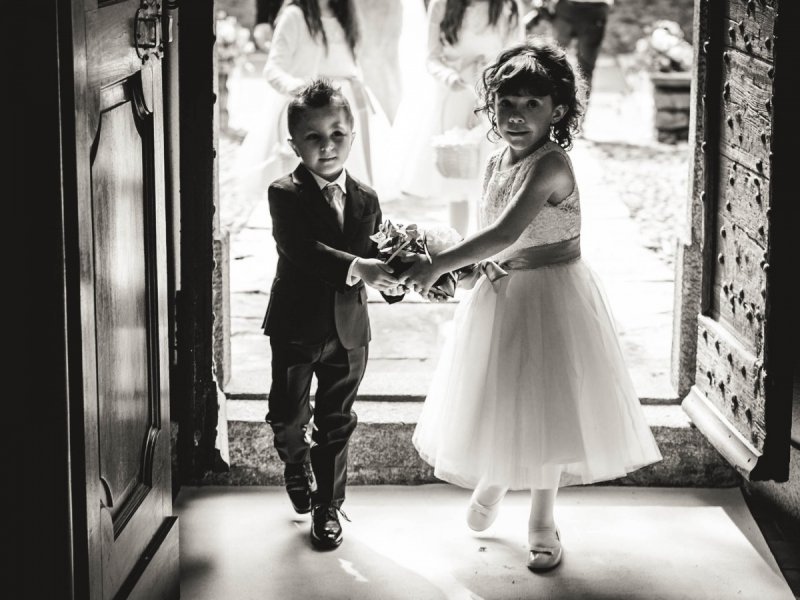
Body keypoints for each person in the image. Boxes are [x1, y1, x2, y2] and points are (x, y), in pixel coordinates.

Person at [400, 39, 662, 571]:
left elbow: (501, 231)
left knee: (547, 406)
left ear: (557, 110)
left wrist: (438, 264)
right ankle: (495, 480)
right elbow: (492, 234)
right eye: (506, 103)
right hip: (506, 290)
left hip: (552, 295)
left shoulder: (551, 165)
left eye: (531, 105)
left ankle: (542, 519)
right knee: (502, 395)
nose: (516, 116)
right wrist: (474, 267)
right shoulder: (497, 157)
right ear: (491, 103)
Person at [262, 80, 402, 550]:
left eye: (337, 134)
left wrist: (405, 276)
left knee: (337, 420)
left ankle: (328, 505)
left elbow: (379, 252)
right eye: (313, 137)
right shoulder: (284, 193)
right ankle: (295, 462)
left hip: (349, 330)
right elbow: (300, 249)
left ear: (353, 135)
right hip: (296, 326)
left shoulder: (367, 198)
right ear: (294, 144)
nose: (327, 146)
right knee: (286, 414)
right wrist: (357, 266)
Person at [236, 0, 391, 230]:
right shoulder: (295, 16)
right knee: (311, 193)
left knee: (351, 192)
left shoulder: (346, 14)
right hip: (313, 111)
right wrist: (304, 91)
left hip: (345, 108)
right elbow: (273, 69)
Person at [391, 0, 524, 199]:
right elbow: (432, 57)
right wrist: (448, 76)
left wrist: (493, 70)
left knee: (490, 181)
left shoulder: (508, 6)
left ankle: (488, 228)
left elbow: (517, 56)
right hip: (455, 95)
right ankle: (458, 230)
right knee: (457, 178)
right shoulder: (442, 5)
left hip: (495, 94)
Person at [550, 0, 612, 98]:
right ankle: (579, 111)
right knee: (585, 70)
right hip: (595, 10)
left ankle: (553, 105)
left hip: (567, 9)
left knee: (552, 62)